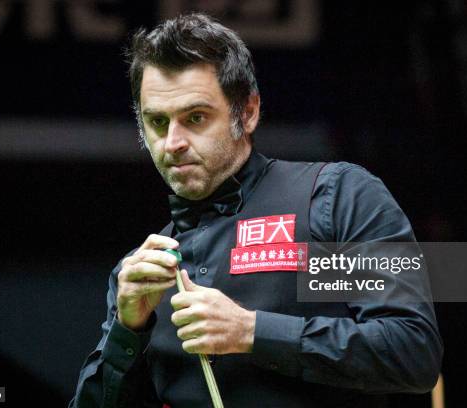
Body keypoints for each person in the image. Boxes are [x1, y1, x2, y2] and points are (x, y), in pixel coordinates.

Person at [70, 13, 442, 408]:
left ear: (246, 112)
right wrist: (128, 330)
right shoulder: (140, 274)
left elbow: (413, 353)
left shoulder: (330, 200)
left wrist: (252, 331)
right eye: (157, 122)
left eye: (195, 117)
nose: (172, 142)